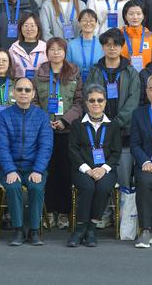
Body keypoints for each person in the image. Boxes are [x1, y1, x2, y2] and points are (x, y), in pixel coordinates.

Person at [0, 76, 53, 246]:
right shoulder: (3, 116)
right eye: (19, 89)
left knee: (36, 187)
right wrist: (10, 170)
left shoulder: (42, 117)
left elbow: (46, 146)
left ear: (33, 93)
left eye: (27, 90)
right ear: (13, 92)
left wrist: (38, 170)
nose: (23, 93)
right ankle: (18, 230)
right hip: (10, 168)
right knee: (13, 187)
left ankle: (34, 231)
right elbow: (1, 146)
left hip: (34, 168)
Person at [62, 85, 118, 248]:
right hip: (82, 169)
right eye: (92, 100)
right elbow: (73, 150)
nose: (96, 103)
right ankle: (80, 229)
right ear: (86, 103)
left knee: (102, 188)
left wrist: (103, 169)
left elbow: (116, 152)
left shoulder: (113, 125)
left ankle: (91, 229)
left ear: (105, 102)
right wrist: (87, 169)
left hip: (105, 170)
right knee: (87, 187)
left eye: (100, 100)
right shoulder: (77, 124)